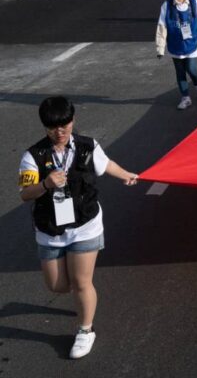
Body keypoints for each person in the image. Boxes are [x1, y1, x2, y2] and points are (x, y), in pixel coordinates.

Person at [18, 95, 138, 359]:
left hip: (85, 225)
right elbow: (25, 194)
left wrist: (126, 175)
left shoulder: (87, 146)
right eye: (52, 127)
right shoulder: (32, 156)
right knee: (58, 286)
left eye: (65, 125)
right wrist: (46, 184)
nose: (59, 132)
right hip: (50, 229)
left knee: (82, 282)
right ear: (44, 126)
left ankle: (85, 330)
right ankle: (83, 297)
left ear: (73, 120)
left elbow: (106, 165)